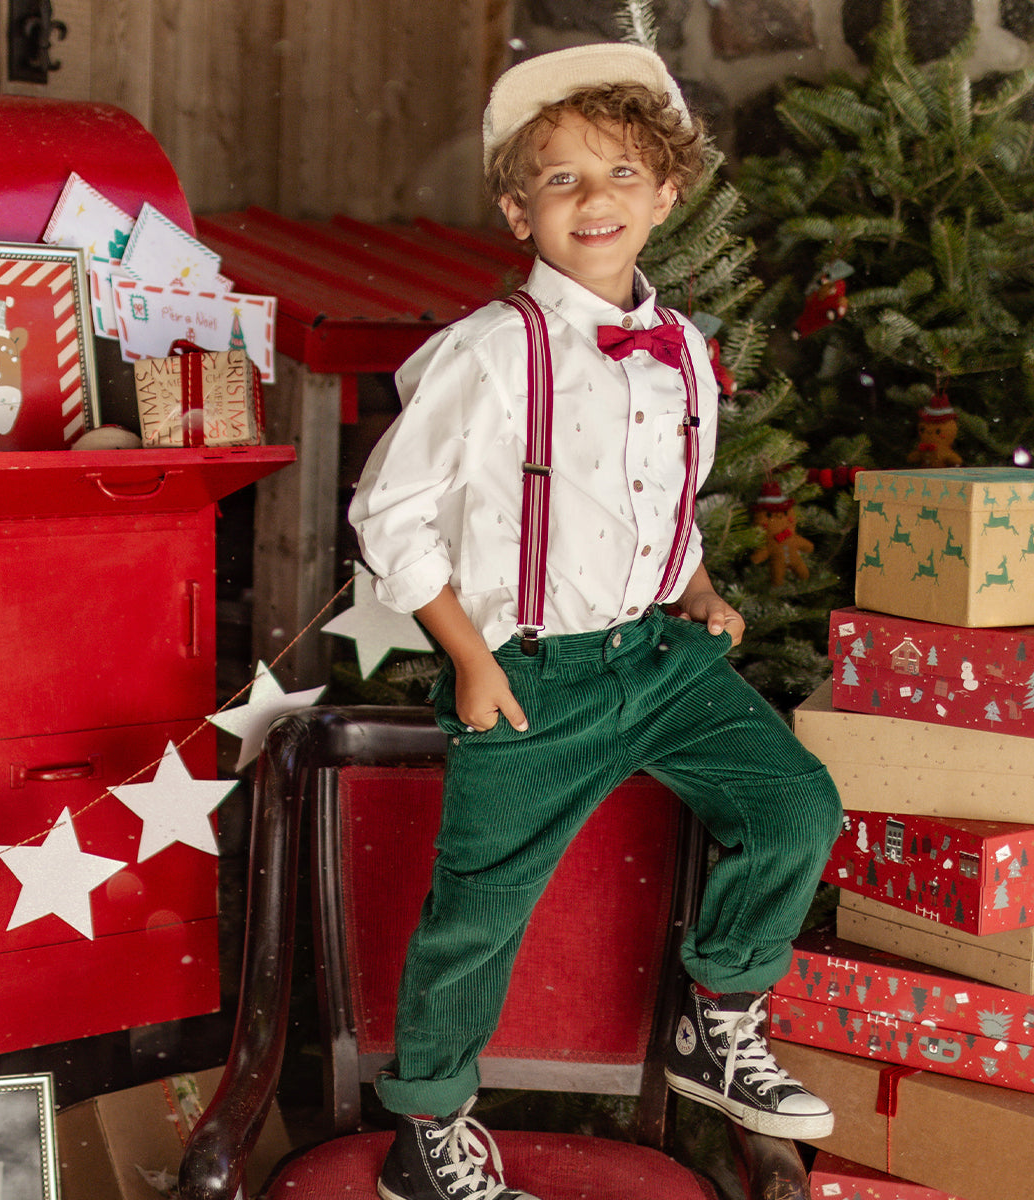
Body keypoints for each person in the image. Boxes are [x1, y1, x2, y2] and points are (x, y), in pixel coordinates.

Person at [350, 41, 843, 1200]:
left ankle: (715, 1022)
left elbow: (654, 492)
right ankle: (425, 1136)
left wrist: (697, 587)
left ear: (668, 194)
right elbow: (390, 513)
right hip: (529, 675)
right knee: (480, 912)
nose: (596, 199)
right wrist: (465, 655)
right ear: (518, 208)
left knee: (794, 804)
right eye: (562, 179)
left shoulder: (681, 352)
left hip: (660, 658)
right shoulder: (487, 354)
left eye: (622, 172)